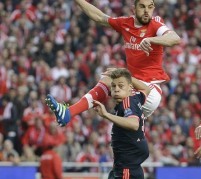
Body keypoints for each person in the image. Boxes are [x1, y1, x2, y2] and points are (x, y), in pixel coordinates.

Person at [45, 0, 181, 126]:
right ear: (133, 9)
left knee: (112, 77)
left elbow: (174, 38)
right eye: (142, 7)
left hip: (150, 90)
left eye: (150, 7)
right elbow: (99, 17)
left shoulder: (155, 24)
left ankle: (69, 113)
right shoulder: (125, 23)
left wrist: (152, 40)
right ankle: (68, 114)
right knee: (124, 137)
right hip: (132, 89)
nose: (146, 11)